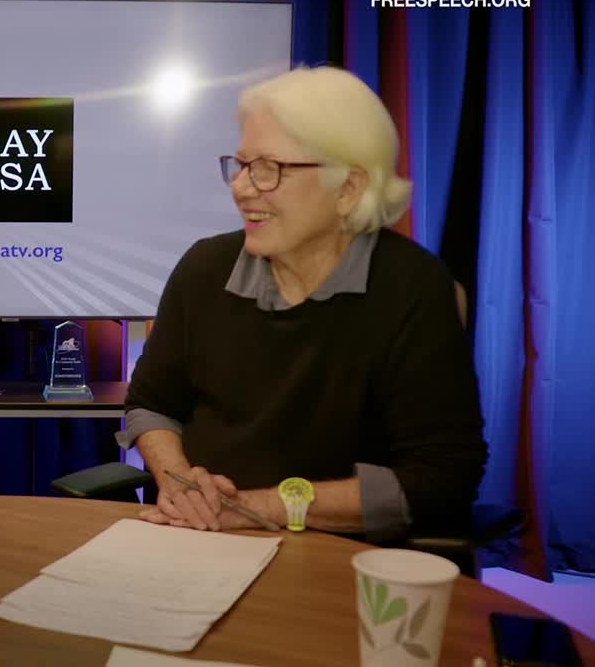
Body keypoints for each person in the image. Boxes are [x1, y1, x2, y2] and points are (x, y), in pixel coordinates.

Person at [123, 66, 487, 543]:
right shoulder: (204, 269)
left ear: (349, 188)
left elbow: (442, 476)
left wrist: (258, 507)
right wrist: (181, 485)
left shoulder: (413, 287)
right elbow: (150, 405)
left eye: (269, 168)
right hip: (202, 536)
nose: (241, 188)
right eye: (241, 165)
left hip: (340, 552)